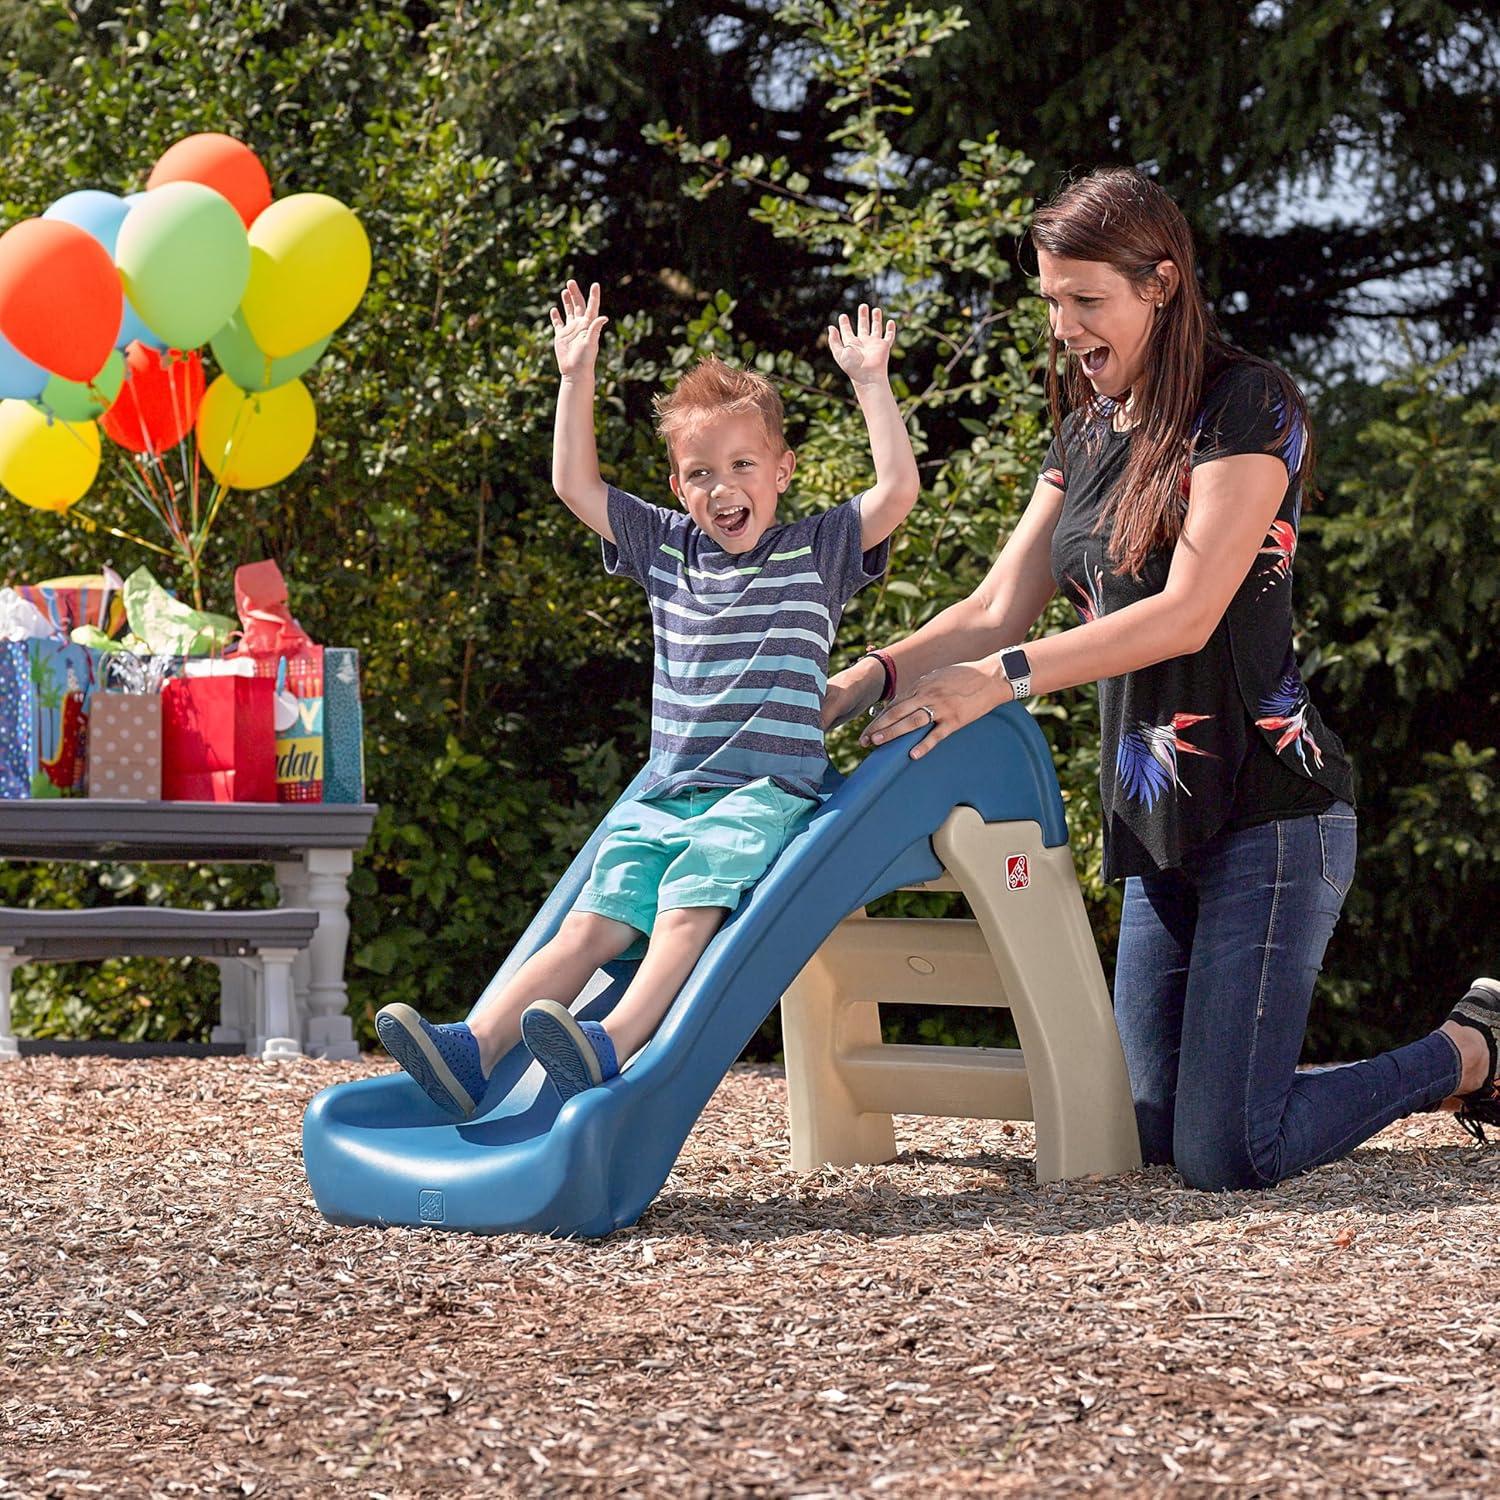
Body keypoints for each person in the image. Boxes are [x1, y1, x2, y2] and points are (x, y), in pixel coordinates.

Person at [823, 167, 1499, 1188]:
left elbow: (1185, 611)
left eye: (1086, 300)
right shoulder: (1088, 431)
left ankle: (1470, 1050)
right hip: (1160, 819)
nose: (1064, 328)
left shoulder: (1248, 402)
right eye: (1052, 302)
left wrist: (1000, 682)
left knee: (1229, 1152)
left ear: (1161, 283)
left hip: (1272, 811)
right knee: (1142, 1135)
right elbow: (995, 608)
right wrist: (855, 683)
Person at [377, 281, 919, 1117]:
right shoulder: (668, 553)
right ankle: (474, 1049)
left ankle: (615, 1037)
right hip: (664, 794)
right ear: (676, 486)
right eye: (701, 473)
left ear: (783, 469)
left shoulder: (817, 550)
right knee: (591, 925)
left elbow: (896, 494)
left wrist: (871, 384)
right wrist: (575, 376)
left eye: (742, 465)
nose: (722, 487)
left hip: (763, 794)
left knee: (686, 904)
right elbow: (574, 484)